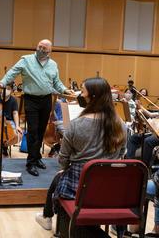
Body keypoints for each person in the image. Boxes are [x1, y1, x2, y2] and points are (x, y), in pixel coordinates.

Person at [35, 77, 126, 231]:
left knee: (59, 175)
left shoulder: (76, 125)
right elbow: (122, 153)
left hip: (80, 187)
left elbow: (63, 159)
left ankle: (47, 217)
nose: (79, 95)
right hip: (109, 188)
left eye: (82, 91)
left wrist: (66, 166)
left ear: (93, 97)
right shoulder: (121, 125)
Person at [0, 39, 73, 176]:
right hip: (31, 99)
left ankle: (37, 157)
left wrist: (65, 90)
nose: (41, 50)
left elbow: (56, 82)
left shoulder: (53, 64)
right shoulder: (26, 60)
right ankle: (31, 162)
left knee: (41, 131)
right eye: (40, 47)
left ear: (50, 51)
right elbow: (12, 72)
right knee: (32, 131)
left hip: (46, 100)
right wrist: (3, 82)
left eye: (45, 48)